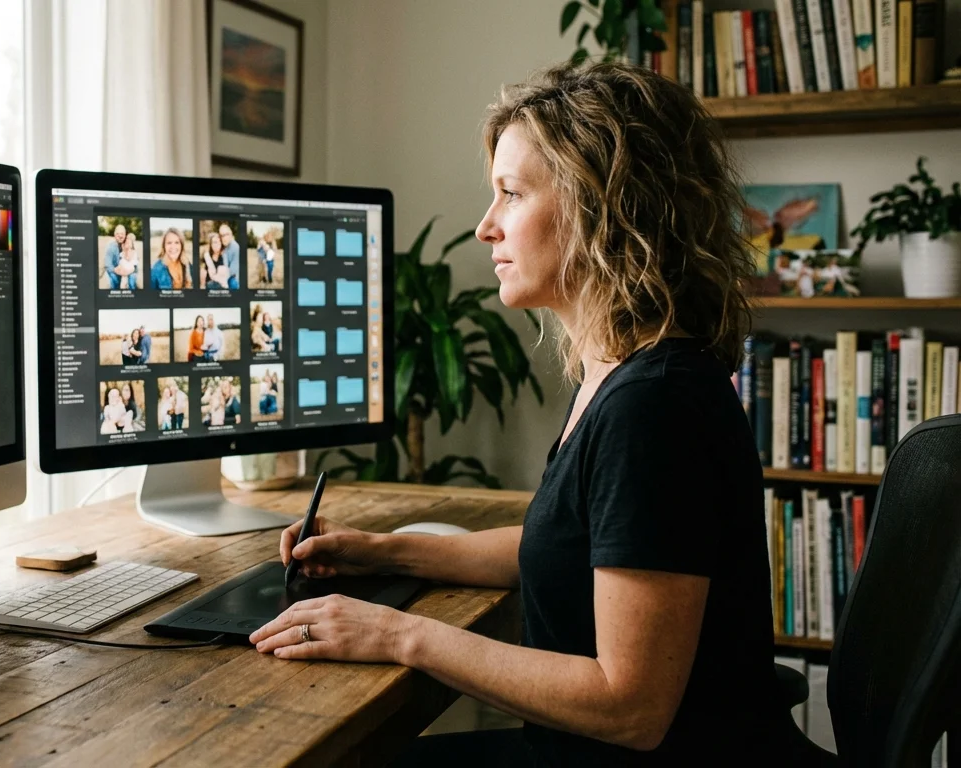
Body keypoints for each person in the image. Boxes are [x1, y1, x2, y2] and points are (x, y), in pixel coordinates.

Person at [247, 62, 785, 767]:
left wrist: (397, 634)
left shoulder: (654, 407)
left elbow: (631, 706)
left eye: (511, 195)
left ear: (605, 207)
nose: (485, 227)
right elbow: (567, 543)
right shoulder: (623, 369)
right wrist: (382, 550)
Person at [102, 223, 129, 290]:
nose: (120, 236)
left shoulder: (128, 245)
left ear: (125, 235)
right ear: (114, 235)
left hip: (123, 270)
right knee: (115, 281)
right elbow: (108, 265)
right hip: (113, 270)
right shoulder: (111, 247)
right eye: (118, 234)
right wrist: (117, 271)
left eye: (122, 234)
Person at [218, 223, 241, 289]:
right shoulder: (225, 247)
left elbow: (232, 271)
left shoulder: (235, 247)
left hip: (234, 279)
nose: (223, 238)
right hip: (226, 276)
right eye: (221, 235)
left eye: (226, 235)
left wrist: (219, 277)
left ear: (230, 234)